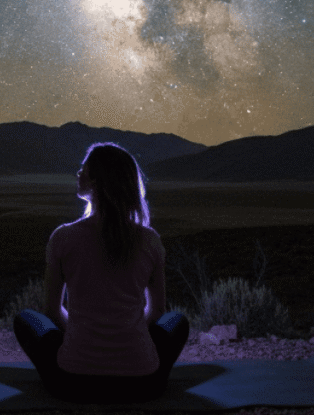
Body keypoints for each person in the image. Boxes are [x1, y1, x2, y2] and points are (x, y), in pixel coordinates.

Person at [13, 142, 189, 404]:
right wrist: (122, 331)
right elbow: (157, 312)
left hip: (73, 384)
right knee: (177, 321)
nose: (78, 174)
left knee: (27, 319)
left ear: (96, 180)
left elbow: (52, 311)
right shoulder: (150, 240)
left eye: (83, 170)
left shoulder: (63, 237)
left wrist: (85, 332)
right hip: (143, 385)